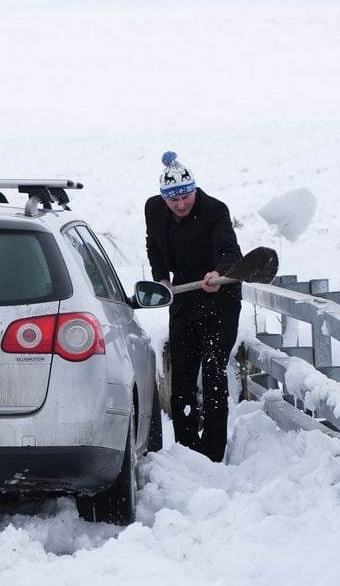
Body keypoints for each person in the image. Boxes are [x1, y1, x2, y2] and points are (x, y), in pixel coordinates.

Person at [144, 151, 242, 462]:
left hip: (219, 297)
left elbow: (231, 251)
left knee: (213, 373)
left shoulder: (215, 211)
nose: (181, 204)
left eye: (185, 196)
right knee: (182, 379)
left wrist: (219, 272)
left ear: (194, 190)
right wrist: (161, 278)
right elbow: (153, 245)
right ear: (164, 198)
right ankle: (187, 450)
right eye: (173, 199)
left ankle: (213, 453)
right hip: (184, 295)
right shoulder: (153, 209)